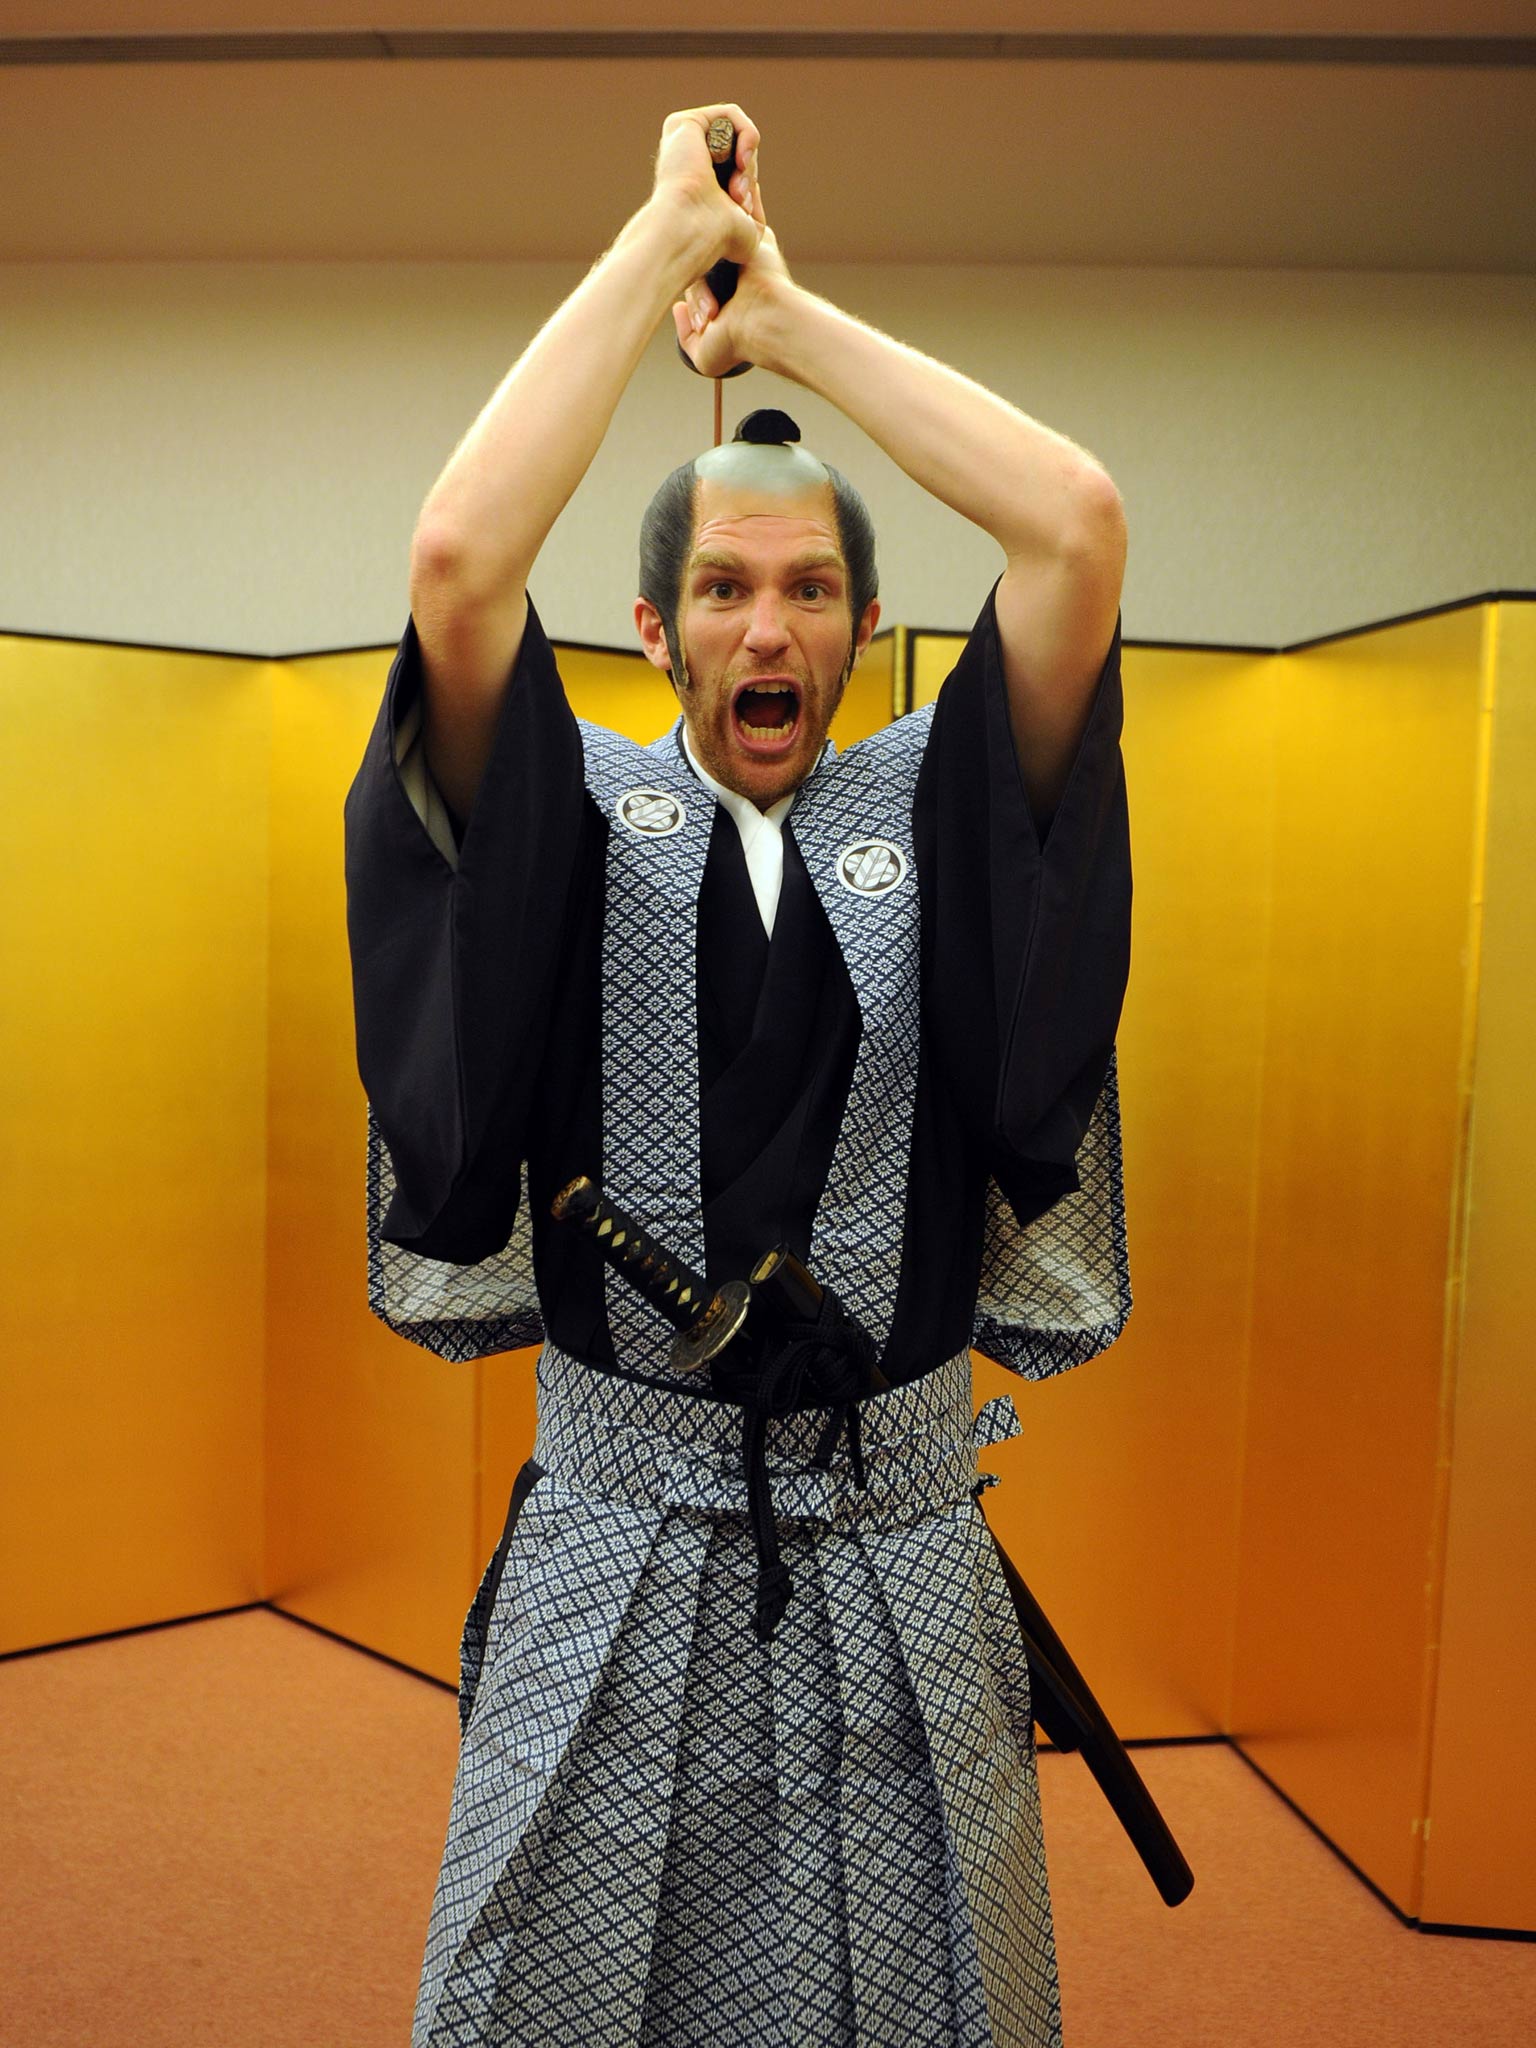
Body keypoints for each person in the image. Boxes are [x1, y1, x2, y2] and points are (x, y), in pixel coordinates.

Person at [344, 102, 1132, 2048]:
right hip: (620, 1533)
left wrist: (782, 315)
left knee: (923, 1999)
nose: (763, 625)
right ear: (649, 629)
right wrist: (654, 249)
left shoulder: (935, 805)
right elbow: (455, 558)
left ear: (865, 632)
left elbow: (1076, 524)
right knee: (554, 1994)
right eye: (719, 591)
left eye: (806, 592)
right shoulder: (576, 812)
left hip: (898, 1544)